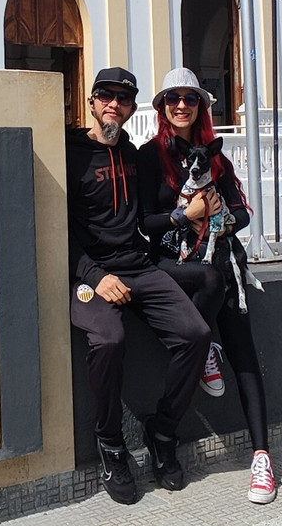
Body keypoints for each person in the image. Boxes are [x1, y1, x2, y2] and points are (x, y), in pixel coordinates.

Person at [67, 67, 212, 505]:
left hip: (140, 267)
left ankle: (162, 429)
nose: (114, 104)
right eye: (106, 96)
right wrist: (97, 276)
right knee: (109, 339)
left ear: (132, 109)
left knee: (196, 334)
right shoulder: (69, 152)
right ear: (91, 101)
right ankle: (111, 442)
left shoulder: (132, 153)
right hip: (88, 274)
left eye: (124, 99)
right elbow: (57, 229)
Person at [137, 68, 277, 505]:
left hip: (220, 262)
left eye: (191, 99)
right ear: (162, 105)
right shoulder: (148, 157)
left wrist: (219, 216)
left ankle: (262, 456)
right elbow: (145, 223)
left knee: (245, 353)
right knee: (209, 279)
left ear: (201, 107)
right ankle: (203, 350)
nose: (182, 105)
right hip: (173, 266)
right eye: (173, 98)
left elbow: (244, 213)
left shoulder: (216, 157)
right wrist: (186, 214)